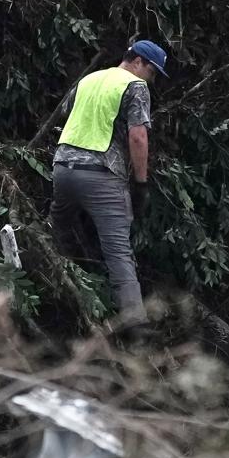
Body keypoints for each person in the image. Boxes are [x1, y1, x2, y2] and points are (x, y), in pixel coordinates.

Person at [46, 40, 168, 319]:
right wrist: (140, 183)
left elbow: (65, 112)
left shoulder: (90, 78)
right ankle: (136, 327)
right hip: (101, 176)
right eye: (152, 72)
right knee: (119, 254)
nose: (152, 79)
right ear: (138, 61)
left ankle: (62, 294)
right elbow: (138, 136)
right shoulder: (136, 86)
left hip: (63, 169)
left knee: (59, 228)